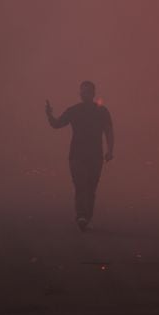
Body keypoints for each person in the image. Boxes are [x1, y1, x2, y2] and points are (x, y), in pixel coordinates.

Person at [46, 81, 114, 231]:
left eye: (88, 92)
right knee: (80, 186)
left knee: (90, 188)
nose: (85, 95)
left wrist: (110, 150)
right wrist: (49, 115)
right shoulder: (74, 110)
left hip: (95, 156)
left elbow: (108, 131)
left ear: (93, 93)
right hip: (77, 156)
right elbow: (57, 124)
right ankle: (82, 216)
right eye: (83, 92)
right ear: (80, 94)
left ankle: (86, 217)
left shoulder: (101, 111)